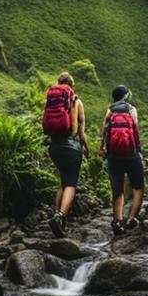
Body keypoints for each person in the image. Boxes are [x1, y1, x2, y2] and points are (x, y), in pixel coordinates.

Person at [42, 72, 87, 237]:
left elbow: (45, 121)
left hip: (54, 146)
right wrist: (86, 147)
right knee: (71, 184)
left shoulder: (52, 100)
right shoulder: (76, 100)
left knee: (63, 182)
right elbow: (81, 130)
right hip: (71, 147)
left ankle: (57, 214)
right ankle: (60, 216)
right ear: (72, 86)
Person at [100, 85, 144, 235]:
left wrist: (102, 148)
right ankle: (131, 218)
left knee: (117, 188)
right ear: (126, 96)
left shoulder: (110, 110)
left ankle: (117, 221)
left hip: (114, 155)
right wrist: (138, 148)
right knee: (138, 187)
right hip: (131, 153)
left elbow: (105, 130)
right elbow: (136, 129)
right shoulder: (131, 109)